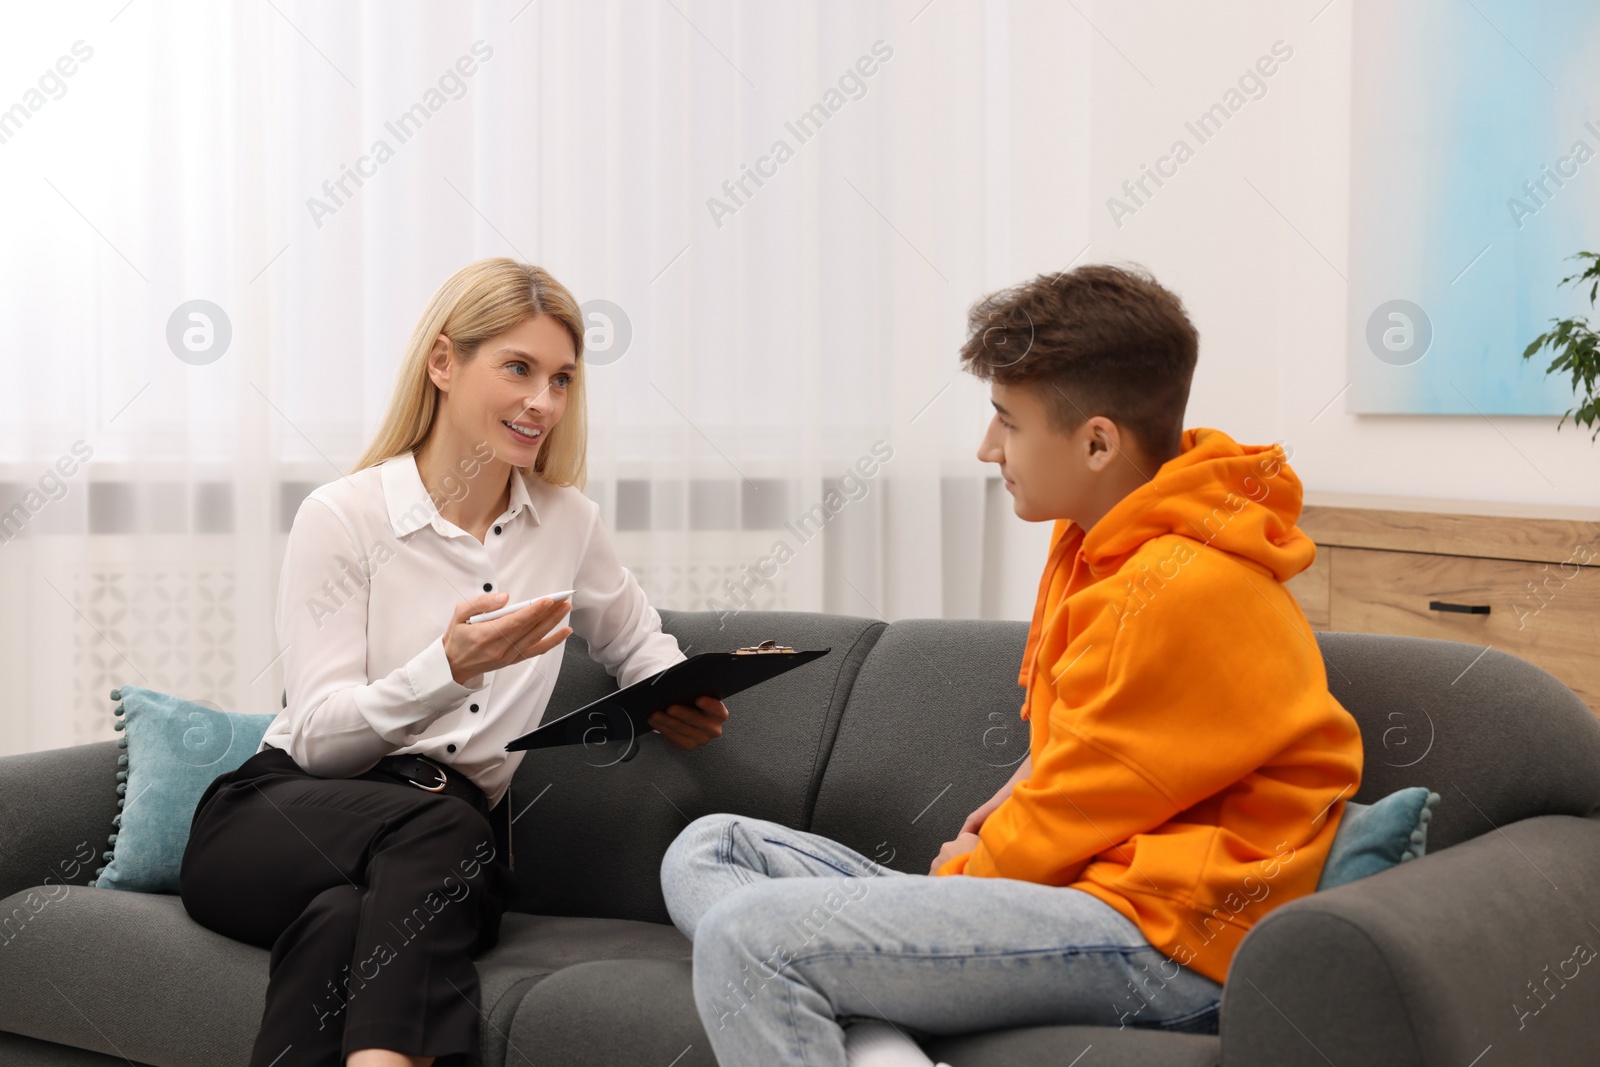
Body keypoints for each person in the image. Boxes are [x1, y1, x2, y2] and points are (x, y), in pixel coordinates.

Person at [659, 264, 1365, 1065]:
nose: (986, 447)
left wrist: (971, 873)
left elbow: (1077, 803)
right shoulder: (1095, 543)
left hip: (1171, 938)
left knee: (748, 936)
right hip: (1089, 898)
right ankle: (882, 1038)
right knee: (712, 847)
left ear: (1096, 440)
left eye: (1007, 421)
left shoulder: (1182, 587)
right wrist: (992, 823)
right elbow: (1078, 743)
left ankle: (852, 1007)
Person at [178, 257, 730, 1067]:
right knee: (445, 823)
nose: (543, 402)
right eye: (519, 368)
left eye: (563, 378)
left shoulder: (566, 522)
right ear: (443, 362)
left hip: (443, 854)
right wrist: (447, 667)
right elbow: (322, 739)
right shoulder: (344, 517)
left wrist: (675, 693)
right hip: (283, 816)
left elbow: (638, 641)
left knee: (341, 917)